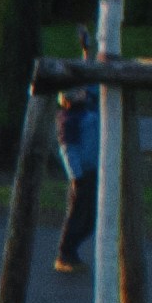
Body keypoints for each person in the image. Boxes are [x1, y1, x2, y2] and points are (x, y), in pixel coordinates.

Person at [52, 86, 99, 273]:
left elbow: (93, 88)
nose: (81, 95)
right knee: (78, 214)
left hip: (95, 170)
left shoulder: (89, 111)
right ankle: (65, 253)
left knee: (91, 217)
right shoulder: (69, 119)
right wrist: (76, 175)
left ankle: (72, 250)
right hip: (82, 174)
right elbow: (68, 151)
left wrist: (87, 57)